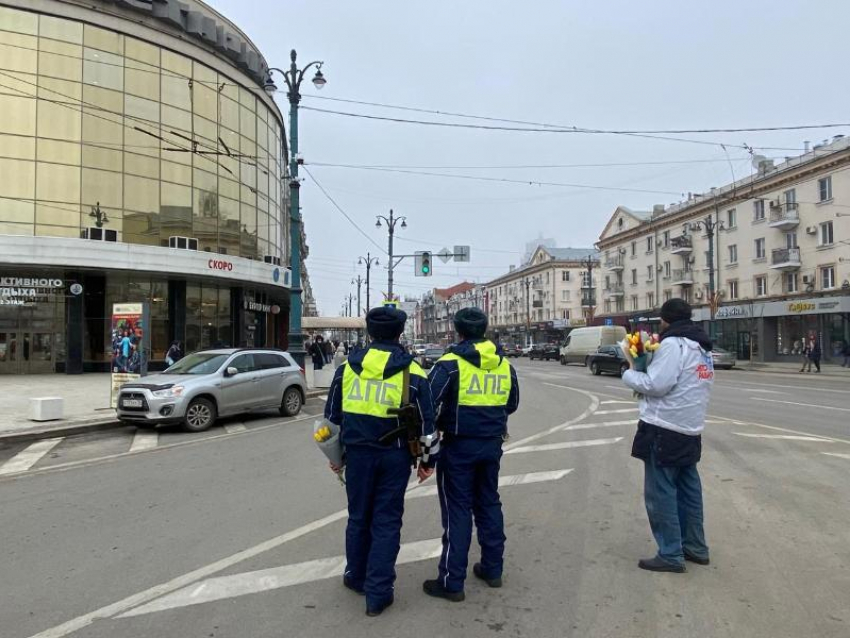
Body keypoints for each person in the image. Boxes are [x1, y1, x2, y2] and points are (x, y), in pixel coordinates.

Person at [324, 307, 438, 617]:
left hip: (357, 456)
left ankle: (356, 576)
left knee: (358, 517)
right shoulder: (414, 372)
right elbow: (428, 424)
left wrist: (335, 458)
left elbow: (331, 420)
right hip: (395, 457)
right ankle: (378, 593)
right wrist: (429, 462)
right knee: (387, 520)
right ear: (400, 334)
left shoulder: (347, 369)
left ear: (370, 334)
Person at [422, 308, 520, 602]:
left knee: (457, 510)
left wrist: (432, 441)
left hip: (457, 447)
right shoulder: (504, 364)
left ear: (457, 331)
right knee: (489, 503)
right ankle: (492, 569)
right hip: (491, 445)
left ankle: (452, 582)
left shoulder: (449, 364)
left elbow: (428, 403)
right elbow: (512, 403)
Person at [621, 298, 714, 573]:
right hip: (690, 427)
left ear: (665, 320)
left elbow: (656, 384)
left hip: (664, 427)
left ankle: (671, 553)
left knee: (660, 493)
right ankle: (695, 547)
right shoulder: (701, 347)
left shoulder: (674, 344)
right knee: (688, 491)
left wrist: (628, 373)